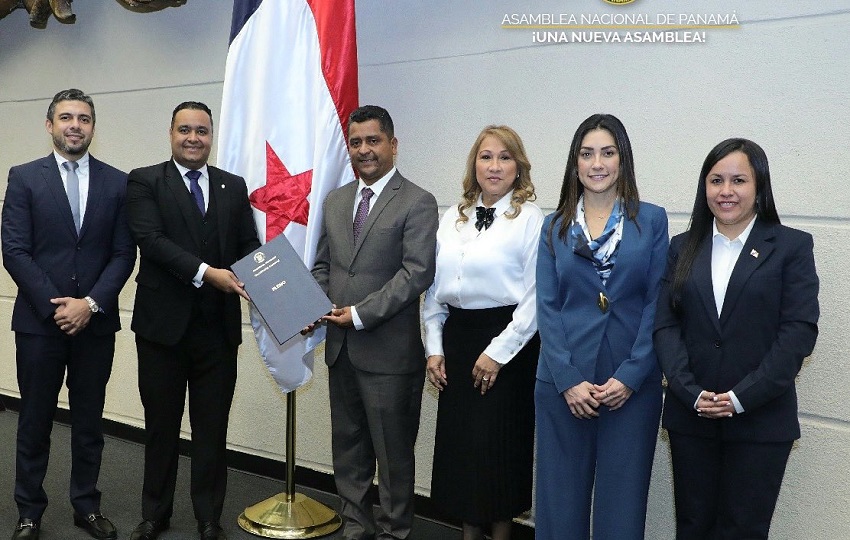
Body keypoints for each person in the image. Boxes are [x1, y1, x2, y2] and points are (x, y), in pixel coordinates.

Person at [654, 138, 819, 539]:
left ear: (759, 187)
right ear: (704, 187)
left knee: (742, 530)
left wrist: (740, 397)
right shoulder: (682, 247)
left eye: (739, 180)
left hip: (760, 420)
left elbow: (798, 332)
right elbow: (665, 326)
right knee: (693, 527)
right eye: (716, 180)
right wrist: (690, 391)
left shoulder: (791, 246)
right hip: (691, 416)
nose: (726, 191)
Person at [1, 88, 136, 540]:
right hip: (40, 324)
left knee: (90, 420)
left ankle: (86, 506)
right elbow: (14, 250)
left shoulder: (118, 183)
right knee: (34, 420)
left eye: (83, 118)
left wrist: (90, 305)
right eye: (66, 117)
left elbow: (122, 253)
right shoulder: (23, 177)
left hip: (95, 323)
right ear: (49, 124)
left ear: (94, 126)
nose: (75, 125)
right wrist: (57, 306)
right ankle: (29, 511)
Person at [125, 101, 260, 540]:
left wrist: (290, 299)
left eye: (202, 131)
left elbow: (248, 249)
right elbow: (151, 240)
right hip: (162, 331)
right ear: (170, 133)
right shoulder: (145, 180)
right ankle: (154, 514)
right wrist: (208, 273)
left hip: (217, 334)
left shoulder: (232, 186)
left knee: (211, 431)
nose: (193, 138)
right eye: (185, 129)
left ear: (211, 136)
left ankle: (208, 518)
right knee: (160, 427)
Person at [534, 114, 668, 540]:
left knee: (622, 506)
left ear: (622, 160)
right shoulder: (554, 226)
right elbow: (547, 307)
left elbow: (656, 304)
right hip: (563, 382)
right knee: (560, 505)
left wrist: (631, 376)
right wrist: (568, 379)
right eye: (586, 154)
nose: (597, 163)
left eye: (607, 153)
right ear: (575, 164)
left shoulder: (652, 220)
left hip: (630, 385)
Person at [311, 105, 438, 540]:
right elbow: (323, 265)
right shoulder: (336, 200)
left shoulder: (417, 202)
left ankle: (394, 532)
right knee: (348, 450)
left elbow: (416, 273)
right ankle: (355, 528)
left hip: (389, 353)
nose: (364, 150)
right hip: (340, 350)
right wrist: (314, 304)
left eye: (373, 140)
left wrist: (359, 314)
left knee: (393, 454)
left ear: (393, 145)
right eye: (356, 142)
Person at [423, 125, 542, 540]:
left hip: (509, 343)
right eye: (486, 156)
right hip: (458, 339)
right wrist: (434, 349)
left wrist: (498, 353)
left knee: (498, 455)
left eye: (504, 157)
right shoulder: (453, 216)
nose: (494, 166)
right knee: (464, 456)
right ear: (474, 164)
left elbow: (535, 298)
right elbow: (435, 291)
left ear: (518, 167)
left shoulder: (530, 219)